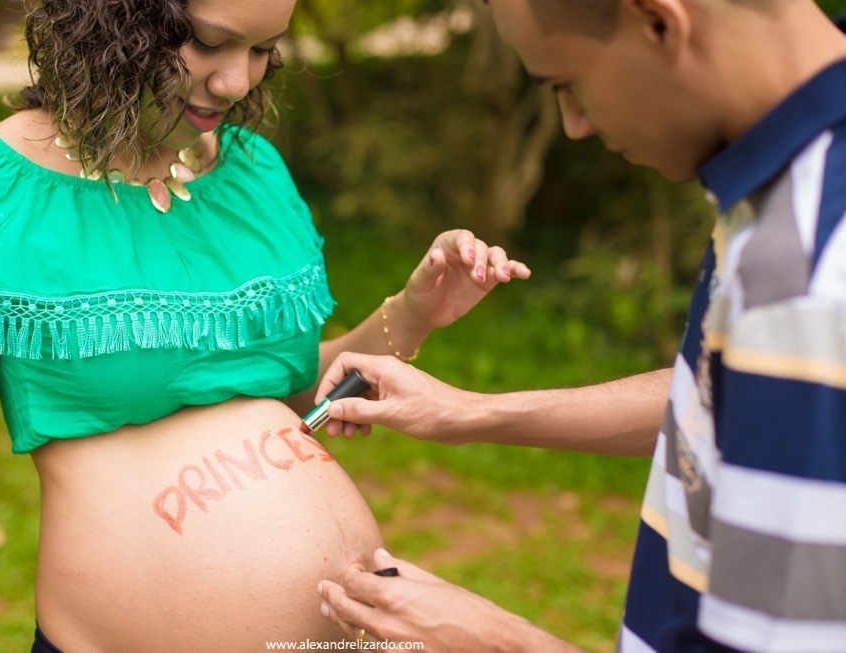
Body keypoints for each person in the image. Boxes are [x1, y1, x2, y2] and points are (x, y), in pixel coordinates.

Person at [0, 0, 531, 650]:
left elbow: (295, 393)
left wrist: (415, 311)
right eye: (211, 42)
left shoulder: (252, 169)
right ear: (117, 15)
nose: (237, 80)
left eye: (264, 49)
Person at [315, 0, 846, 651]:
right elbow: (735, 394)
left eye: (566, 82)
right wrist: (470, 412)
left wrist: (497, 639)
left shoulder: (815, 267)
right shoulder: (788, 180)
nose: (574, 126)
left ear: (658, 21)